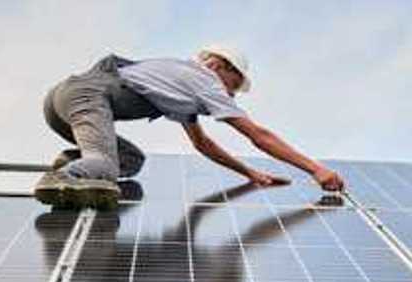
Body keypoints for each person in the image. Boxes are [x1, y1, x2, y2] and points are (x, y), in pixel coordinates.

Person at [36, 45, 344, 209]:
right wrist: (315, 169)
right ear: (218, 66)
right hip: (88, 97)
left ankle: (75, 161)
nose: (230, 95)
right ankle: (64, 177)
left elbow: (203, 144)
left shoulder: (179, 83)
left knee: (130, 160)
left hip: (59, 101)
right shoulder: (205, 81)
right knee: (105, 165)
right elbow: (258, 136)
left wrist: (250, 174)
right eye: (233, 85)